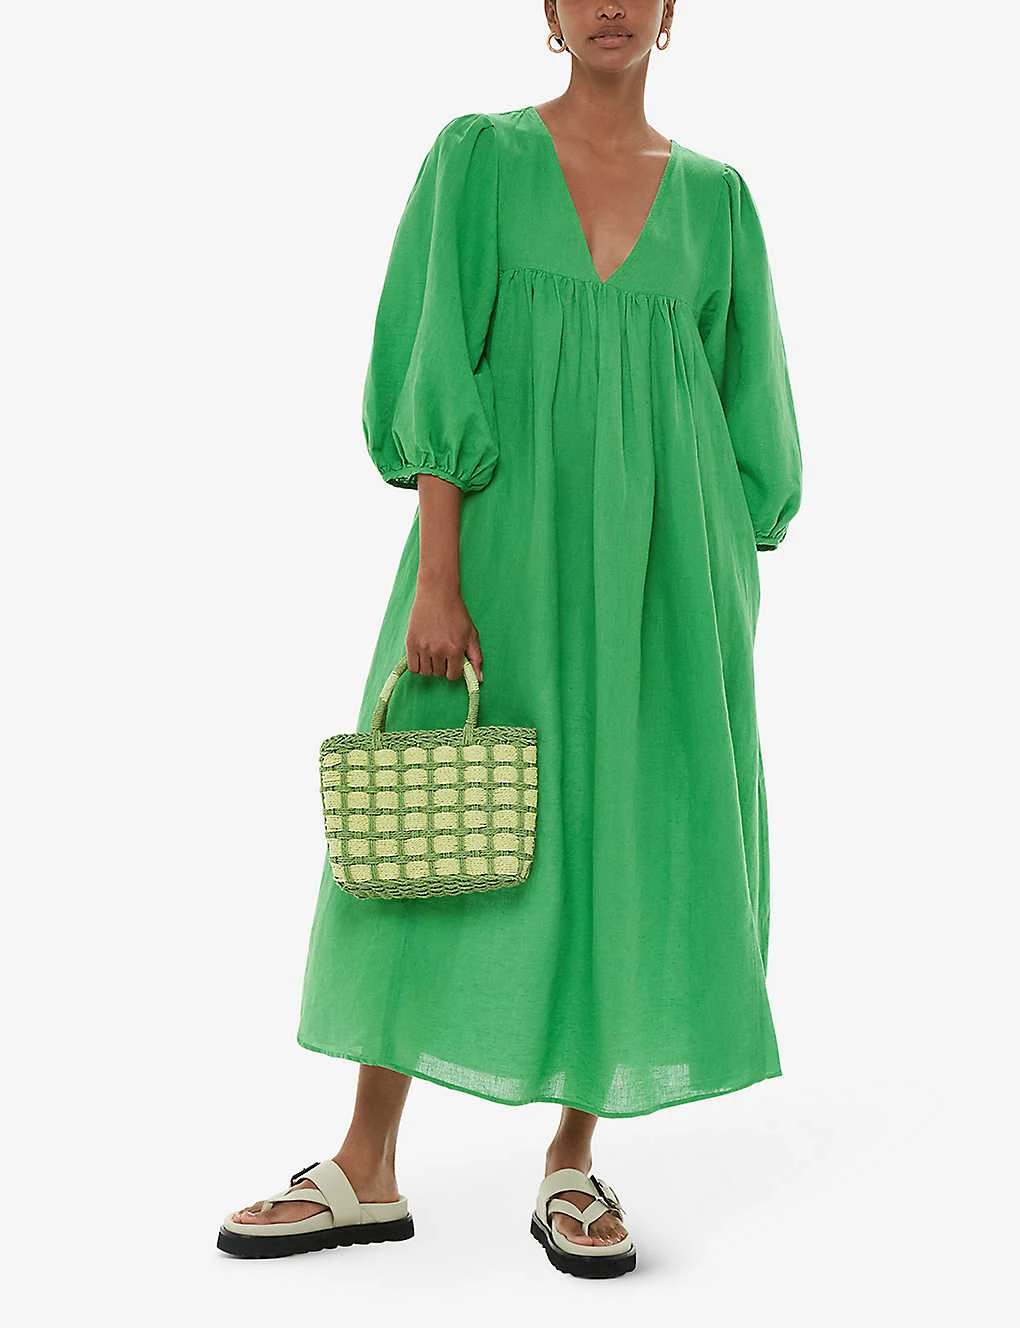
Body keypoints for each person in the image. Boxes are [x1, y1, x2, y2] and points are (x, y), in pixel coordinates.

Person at [217, 0, 803, 1279]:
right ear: (547, 11)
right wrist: (439, 576)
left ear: (670, 10)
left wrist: (713, 581)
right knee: (426, 829)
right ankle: (365, 1161)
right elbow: (437, 359)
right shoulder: (478, 159)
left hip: (664, 575)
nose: (609, 5)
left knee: (616, 835)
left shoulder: (718, 201)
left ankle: (573, 1157)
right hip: (500, 556)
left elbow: (747, 405)